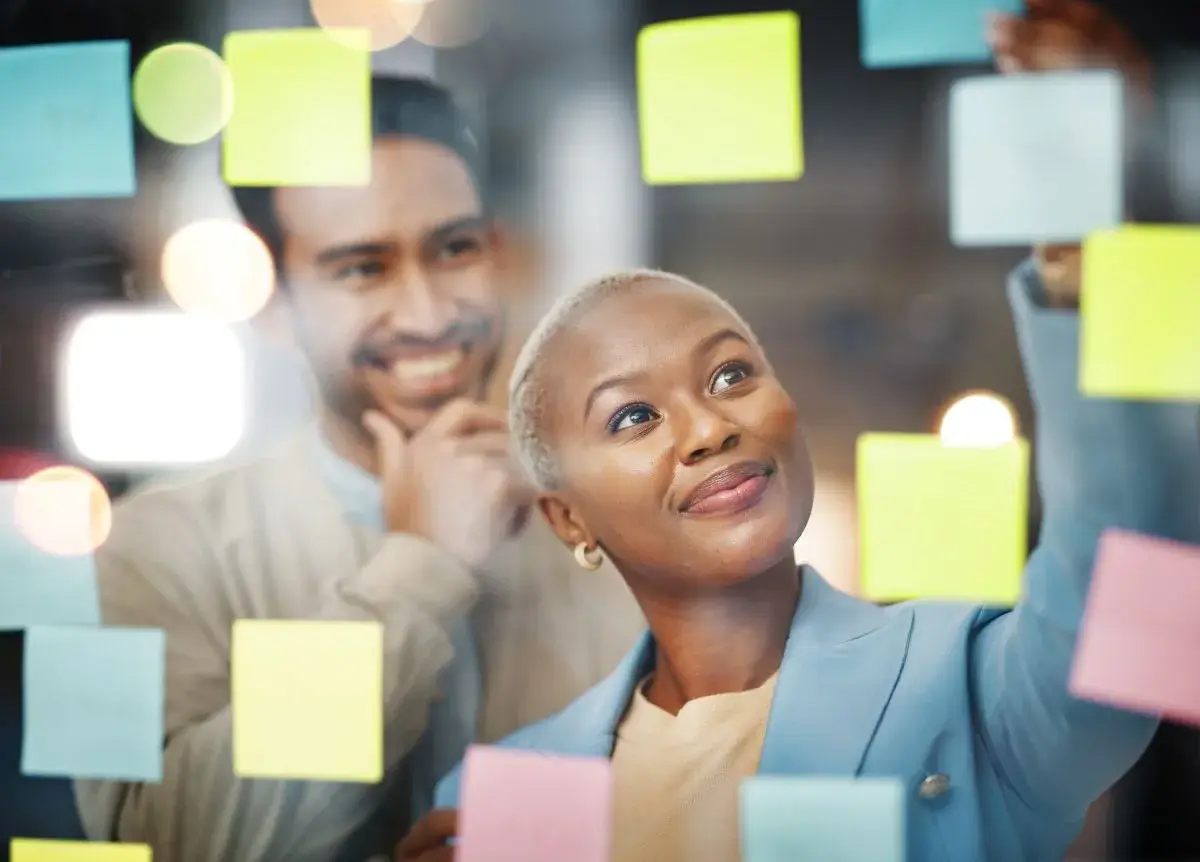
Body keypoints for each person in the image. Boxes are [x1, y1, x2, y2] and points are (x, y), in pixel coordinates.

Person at [398, 5, 1200, 861]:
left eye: (731, 374)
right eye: (634, 416)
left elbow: (1138, 581)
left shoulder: (963, 687)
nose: (710, 426)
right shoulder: (510, 797)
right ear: (569, 522)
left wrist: (1092, 221)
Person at [72, 77, 645, 861]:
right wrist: (422, 567)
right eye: (361, 268)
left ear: (496, 255)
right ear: (274, 300)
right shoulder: (154, 548)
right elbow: (168, 844)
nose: (428, 314)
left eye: (454, 249)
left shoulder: (614, 522)